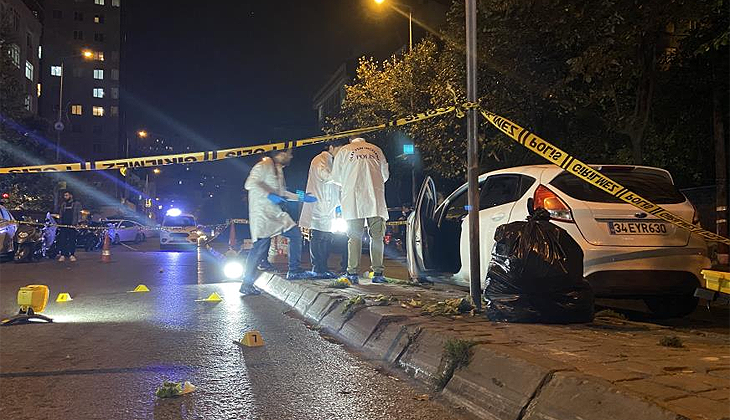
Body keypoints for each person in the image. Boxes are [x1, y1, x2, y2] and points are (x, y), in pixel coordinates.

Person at [240, 149, 317, 295]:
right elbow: (250, 183)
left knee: (295, 234)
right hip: (262, 214)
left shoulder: (278, 170)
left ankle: (294, 270)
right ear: (279, 153)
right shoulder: (264, 165)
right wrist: (269, 195)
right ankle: (246, 284)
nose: (291, 156)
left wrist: (302, 197)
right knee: (259, 249)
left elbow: (283, 193)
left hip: (275, 214)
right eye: (288, 153)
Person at [331, 137, 389, 284]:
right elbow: (385, 176)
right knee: (377, 237)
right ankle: (378, 273)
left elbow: (336, 177)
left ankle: (352, 273)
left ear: (350, 138)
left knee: (354, 237)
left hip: (353, 199)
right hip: (374, 198)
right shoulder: (377, 150)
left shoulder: (344, 151)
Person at [299, 140, 347, 278]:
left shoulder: (332, 161)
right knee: (318, 237)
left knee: (326, 238)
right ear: (331, 147)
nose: (341, 152)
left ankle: (323, 268)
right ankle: (317, 268)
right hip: (318, 206)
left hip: (329, 208)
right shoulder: (319, 159)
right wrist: (344, 177)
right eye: (340, 149)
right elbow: (326, 177)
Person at [56, 190, 81, 262]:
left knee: (72, 240)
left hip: (72, 225)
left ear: (71, 195)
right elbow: (61, 214)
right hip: (63, 225)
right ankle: (63, 255)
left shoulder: (77, 204)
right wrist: (59, 222)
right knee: (62, 240)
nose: (65, 197)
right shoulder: (63, 204)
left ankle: (72, 255)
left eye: (66, 195)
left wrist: (78, 223)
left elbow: (79, 214)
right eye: (64, 196)